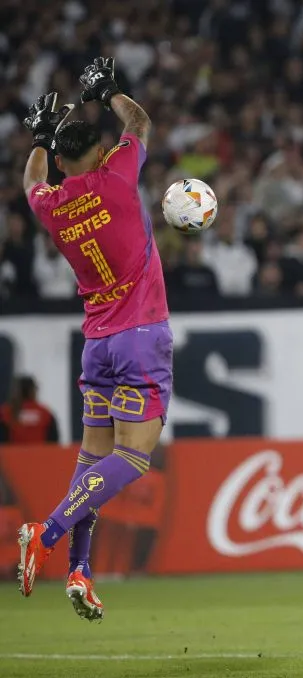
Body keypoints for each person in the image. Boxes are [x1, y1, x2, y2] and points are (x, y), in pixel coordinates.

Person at [18, 58, 171, 622]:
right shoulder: (118, 175)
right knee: (132, 458)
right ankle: (48, 532)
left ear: (62, 161)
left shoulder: (54, 205)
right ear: (100, 153)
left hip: (98, 343)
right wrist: (106, 93)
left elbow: (32, 181)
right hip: (142, 337)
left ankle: (80, 570)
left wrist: (38, 138)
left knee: (92, 460)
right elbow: (141, 123)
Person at [0, 376, 59, 443]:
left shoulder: (5, 414)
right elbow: (54, 444)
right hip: (40, 453)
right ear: (32, 391)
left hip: (12, 453)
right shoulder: (46, 415)